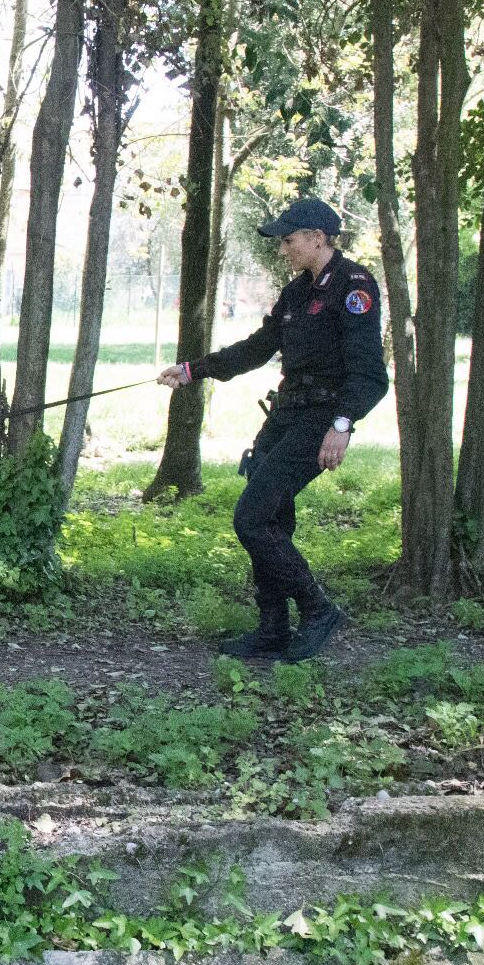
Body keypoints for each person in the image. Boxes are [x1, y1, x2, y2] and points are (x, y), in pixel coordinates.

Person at [157, 197, 389, 662]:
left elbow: (370, 374)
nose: (283, 250)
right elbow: (259, 347)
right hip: (285, 415)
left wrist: (342, 425)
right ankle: (272, 628)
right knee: (273, 519)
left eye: (288, 240)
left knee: (252, 517)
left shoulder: (354, 285)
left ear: (316, 239)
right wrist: (193, 370)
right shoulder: (298, 292)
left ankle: (318, 609)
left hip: (321, 418)